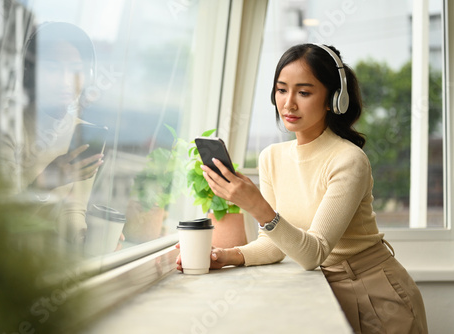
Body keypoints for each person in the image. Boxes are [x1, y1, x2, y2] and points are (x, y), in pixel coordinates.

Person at [176, 43, 428, 333]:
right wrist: (225, 256)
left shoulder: (349, 160)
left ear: (333, 100)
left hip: (375, 294)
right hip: (324, 289)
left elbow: (313, 253)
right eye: (282, 90)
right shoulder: (271, 157)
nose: (288, 103)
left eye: (304, 92)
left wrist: (255, 205)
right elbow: (274, 243)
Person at [0, 22, 104, 247]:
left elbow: (73, 210)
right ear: (30, 72)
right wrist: (46, 181)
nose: (66, 80)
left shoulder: (83, 133)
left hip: (52, 260)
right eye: (52, 68)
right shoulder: (5, 124)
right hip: (6, 257)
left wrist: (88, 240)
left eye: (76, 69)